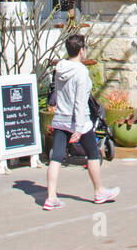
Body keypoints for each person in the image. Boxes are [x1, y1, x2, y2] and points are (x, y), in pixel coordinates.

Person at [44, 34, 119, 211]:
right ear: (81, 50)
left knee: (56, 157)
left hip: (61, 118)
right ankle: (99, 191)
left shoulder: (60, 68)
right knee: (93, 153)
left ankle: (51, 197)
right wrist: (78, 127)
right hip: (79, 120)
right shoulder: (81, 72)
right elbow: (79, 101)